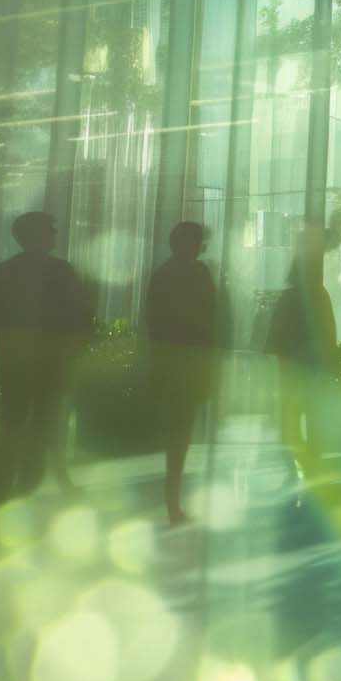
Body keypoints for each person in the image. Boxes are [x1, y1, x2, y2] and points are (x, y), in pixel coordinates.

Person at [0, 211, 92, 501]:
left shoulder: (6, 271)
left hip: (16, 363)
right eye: (51, 229)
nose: (55, 234)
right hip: (48, 365)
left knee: (14, 423)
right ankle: (25, 480)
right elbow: (79, 317)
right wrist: (73, 350)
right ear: (39, 235)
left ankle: (5, 483)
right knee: (42, 423)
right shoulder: (61, 271)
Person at [145, 222, 224, 525]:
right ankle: (173, 504)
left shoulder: (163, 275)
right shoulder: (197, 274)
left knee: (176, 435)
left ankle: (172, 502)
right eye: (200, 241)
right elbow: (210, 321)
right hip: (189, 365)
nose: (202, 246)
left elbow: (154, 323)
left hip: (173, 364)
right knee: (181, 435)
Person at [267, 225, 336, 482]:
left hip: (292, 369)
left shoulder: (288, 298)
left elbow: (276, 339)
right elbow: (330, 335)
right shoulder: (321, 296)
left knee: (291, 419)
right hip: (313, 368)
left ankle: (298, 466)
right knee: (313, 419)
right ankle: (310, 465)